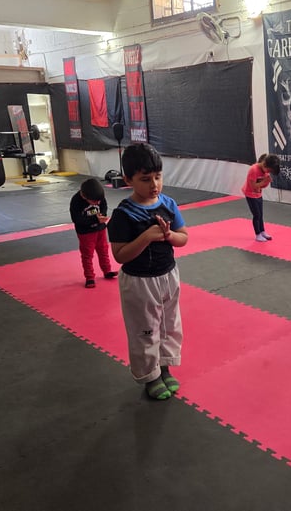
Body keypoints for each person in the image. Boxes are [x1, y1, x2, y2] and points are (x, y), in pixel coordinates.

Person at [106, 143, 189, 401]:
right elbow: (119, 255)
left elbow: (184, 238)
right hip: (139, 281)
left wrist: (169, 235)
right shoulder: (122, 215)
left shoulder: (168, 203)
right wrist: (146, 237)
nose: (154, 184)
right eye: (145, 179)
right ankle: (149, 377)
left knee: (169, 326)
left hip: (168, 275)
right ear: (128, 179)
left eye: (157, 177)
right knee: (145, 330)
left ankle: (164, 367)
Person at [69, 177, 117, 288]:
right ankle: (89, 277)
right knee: (87, 255)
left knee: (103, 250)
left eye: (99, 200)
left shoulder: (99, 197)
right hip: (85, 232)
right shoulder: (76, 201)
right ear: (85, 196)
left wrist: (103, 215)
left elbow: (104, 206)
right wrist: (95, 219)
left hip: (100, 229)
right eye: (95, 202)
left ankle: (107, 270)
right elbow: (77, 220)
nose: (98, 203)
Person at [241, 153, 280, 242]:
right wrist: (265, 181)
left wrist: (267, 182)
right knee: (256, 215)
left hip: (258, 194)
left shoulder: (265, 171)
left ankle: (262, 231)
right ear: (264, 164)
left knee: (261, 215)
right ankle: (258, 234)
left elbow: (262, 186)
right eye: (269, 170)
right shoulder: (253, 170)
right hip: (250, 194)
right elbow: (253, 186)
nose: (268, 172)